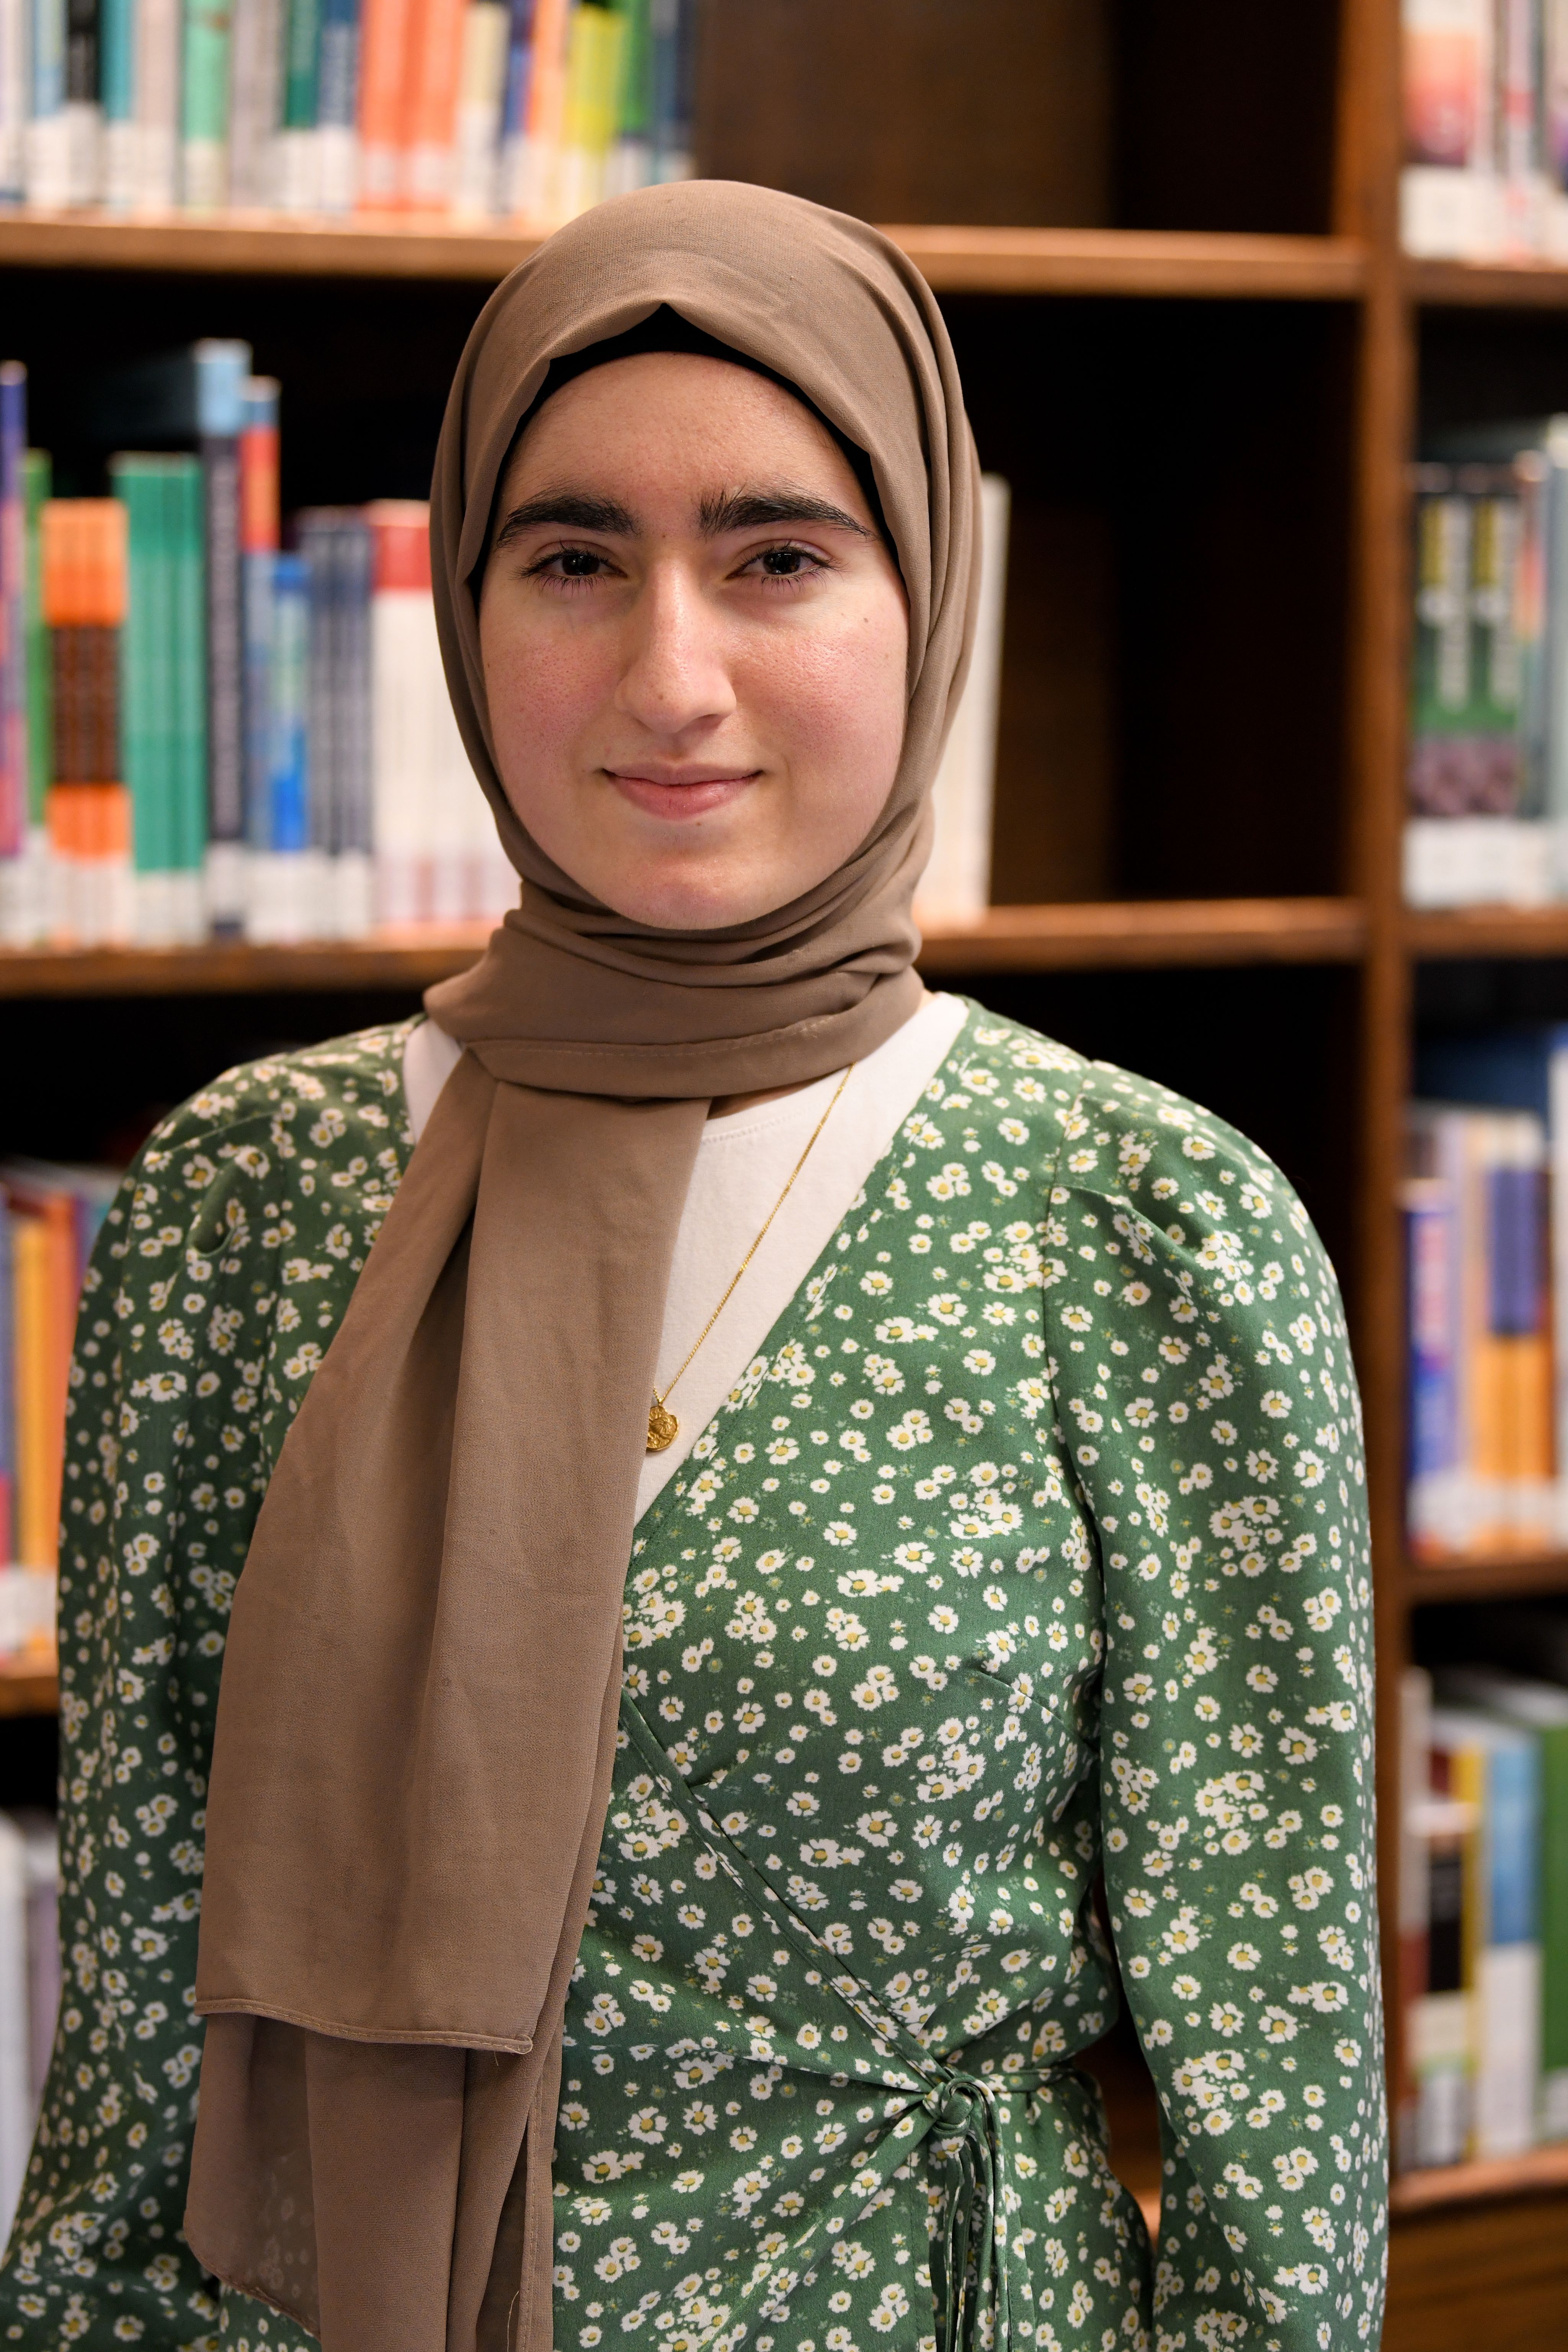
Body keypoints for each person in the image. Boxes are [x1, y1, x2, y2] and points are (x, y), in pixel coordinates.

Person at [0, 182, 1387, 2352]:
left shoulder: (1137, 1222)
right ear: (464, 607)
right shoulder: (241, 1202)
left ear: (928, 598)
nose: (670, 673)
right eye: (572, 559)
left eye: (778, 558)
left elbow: (1268, 2086)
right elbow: (138, 2010)